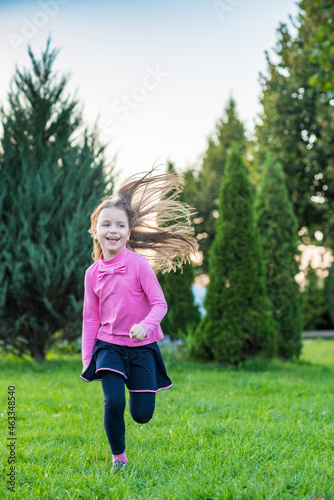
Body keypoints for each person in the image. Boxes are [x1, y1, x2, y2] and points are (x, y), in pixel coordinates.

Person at [80, 167, 198, 471]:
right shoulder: (91, 274)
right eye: (105, 224)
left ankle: (139, 396)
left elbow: (160, 304)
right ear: (95, 231)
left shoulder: (139, 266)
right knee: (114, 403)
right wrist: (87, 356)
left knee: (142, 415)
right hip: (108, 346)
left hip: (143, 348)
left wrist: (145, 325)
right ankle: (118, 456)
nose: (113, 230)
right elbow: (90, 318)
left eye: (119, 224)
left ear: (128, 233)